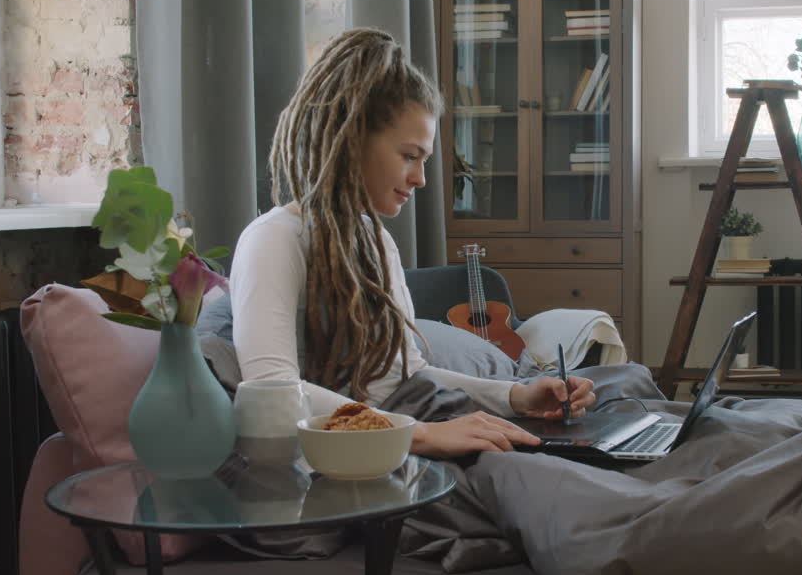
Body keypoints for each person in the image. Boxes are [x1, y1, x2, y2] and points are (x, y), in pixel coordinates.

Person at [230, 27, 595, 459]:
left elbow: (408, 374)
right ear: (352, 140)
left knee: (619, 399)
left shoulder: (374, 240)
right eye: (409, 156)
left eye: (424, 160)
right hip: (384, 447)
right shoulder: (274, 239)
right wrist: (418, 435)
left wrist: (518, 396)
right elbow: (272, 391)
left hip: (427, 416)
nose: (420, 179)